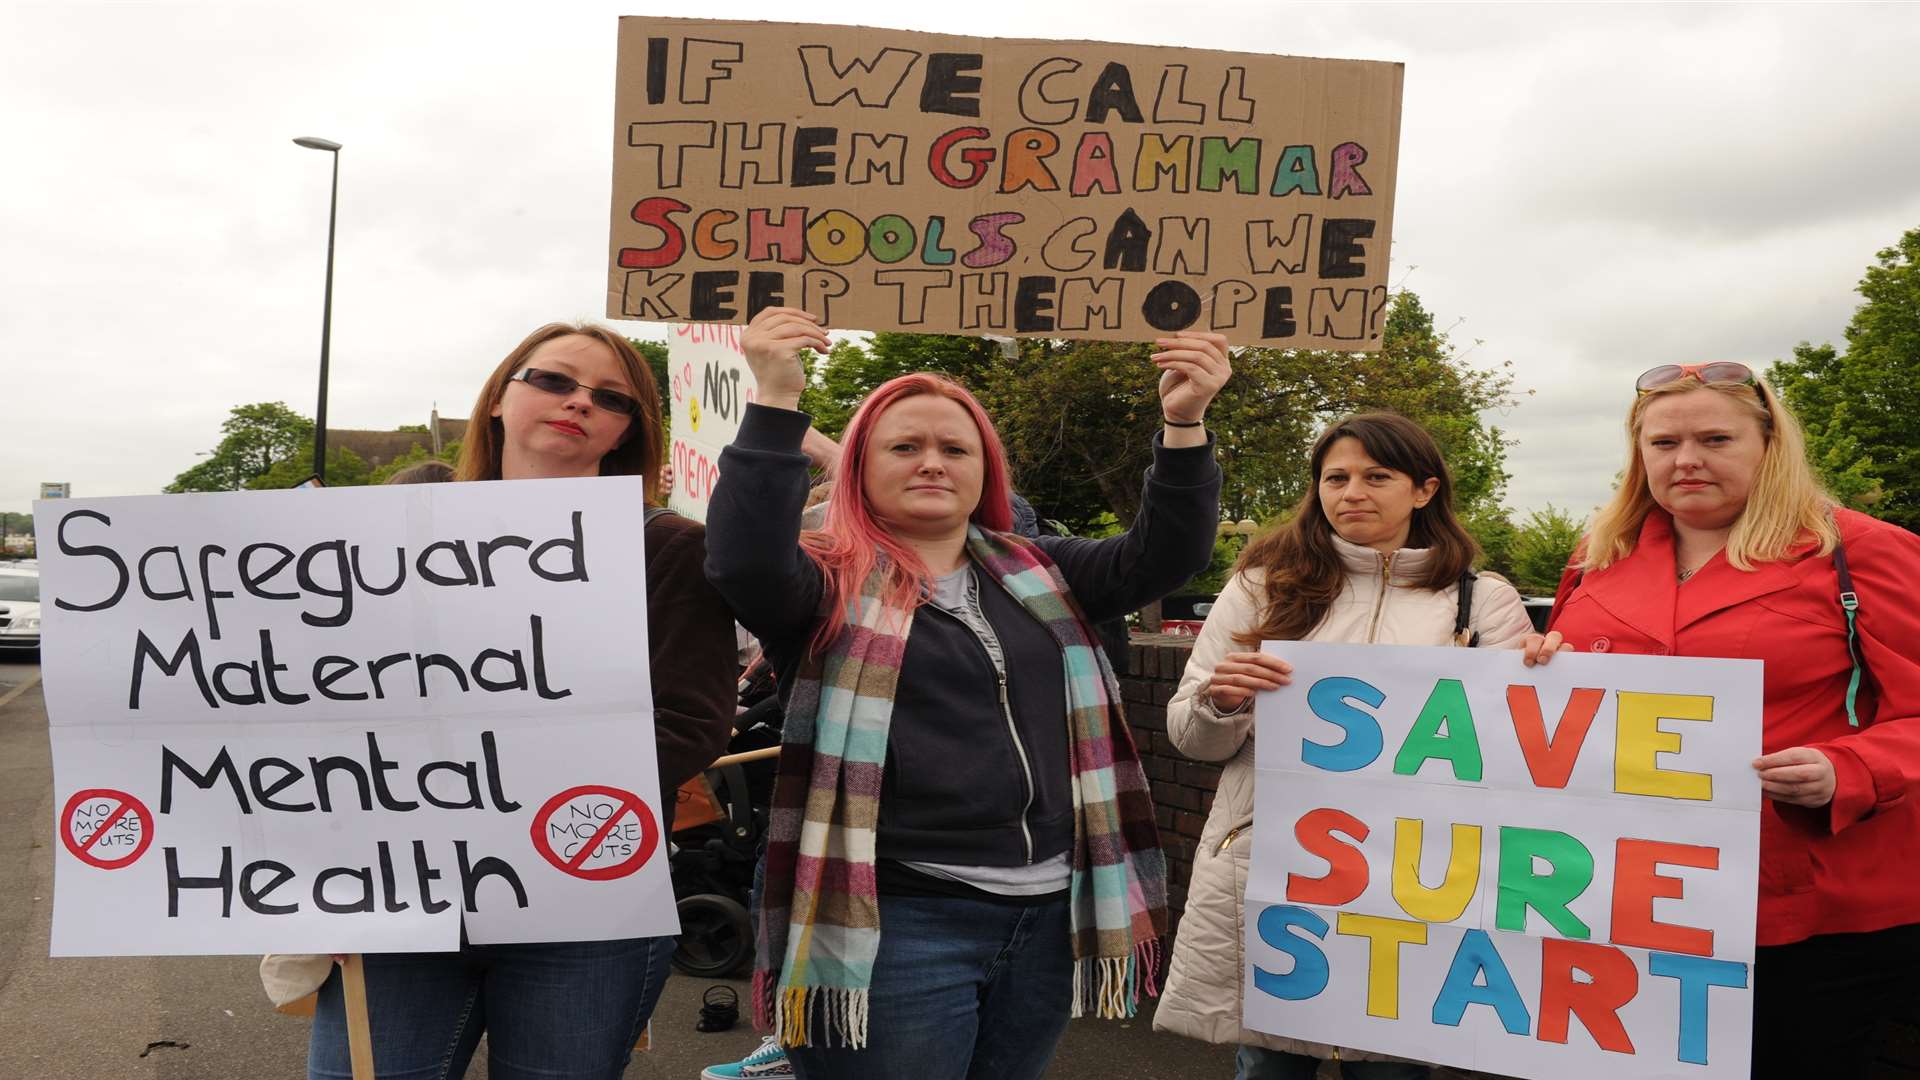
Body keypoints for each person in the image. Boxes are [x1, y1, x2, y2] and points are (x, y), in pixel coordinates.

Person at [702, 306, 1226, 1080]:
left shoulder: (1044, 569)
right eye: (904, 446)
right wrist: (775, 400)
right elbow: (742, 560)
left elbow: (1165, 555)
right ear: (859, 465)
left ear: (985, 470)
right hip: (897, 919)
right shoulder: (823, 581)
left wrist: (1183, 425)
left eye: (956, 448)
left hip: (1050, 915)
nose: (933, 462)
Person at [305, 322, 739, 1080]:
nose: (578, 403)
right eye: (554, 381)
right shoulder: (386, 539)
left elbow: (690, 723)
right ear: (500, 398)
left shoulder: (669, 546)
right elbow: (312, 704)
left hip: (583, 891)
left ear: (625, 432)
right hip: (405, 889)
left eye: (610, 398)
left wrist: (509, 782)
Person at [1525, 361, 1920, 1080]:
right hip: (1624, 898)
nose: (1687, 460)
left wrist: (1851, 768)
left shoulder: (1858, 552)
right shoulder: (1597, 557)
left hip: (1804, 909)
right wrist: (1538, 667)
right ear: (1638, 454)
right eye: (1664, 443)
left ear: (1769, 445)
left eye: (1715, 438)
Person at [1152, 413, 1533, 1080]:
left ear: (1424, 490)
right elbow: (1191, 737)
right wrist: (1223, 702)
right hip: (1278, 870)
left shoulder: (1483, 601)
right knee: (1269, 1063)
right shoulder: (1261, 585)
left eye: (1376, 476)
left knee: (1393, 1068)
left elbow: (1518, 756)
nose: (1351, 491)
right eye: (1336, 477)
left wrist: (1551, 683)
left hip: (1412, 882)